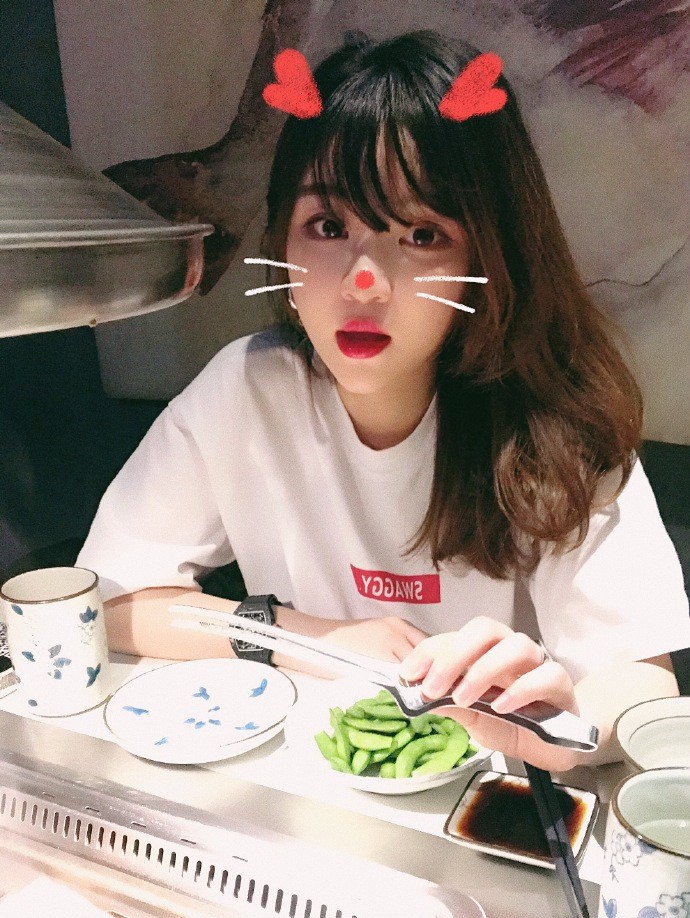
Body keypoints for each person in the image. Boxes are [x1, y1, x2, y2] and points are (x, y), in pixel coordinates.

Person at [78, 31, 689, 770]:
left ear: (487, 253)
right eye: (329, 226)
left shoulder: (556, 421)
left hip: (496, 804)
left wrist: (560, 729)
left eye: (422, 233)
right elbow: (112, 600)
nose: (363, 281)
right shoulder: (248, 391)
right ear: (283, 239)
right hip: (308, 791)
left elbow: (644, 686)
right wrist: (310, 637)